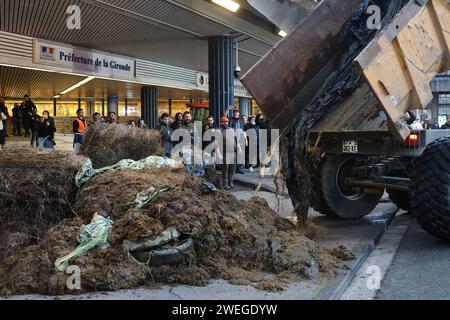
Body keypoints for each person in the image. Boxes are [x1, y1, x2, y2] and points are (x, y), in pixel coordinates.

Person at [217, 116, 236, 190]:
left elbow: (235, 140)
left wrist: (239, 148)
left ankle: (230, 183)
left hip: (233, 152)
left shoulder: (232, 130)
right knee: (225, 169)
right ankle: (225, 184)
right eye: (223, 122)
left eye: (226, 122)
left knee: (232, 168)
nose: (225, 123)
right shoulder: (219, 131)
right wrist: (218, 153)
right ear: (221, 123)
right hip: (225, 152)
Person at [230, 109, 246, 174]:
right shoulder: (231, 120)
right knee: (235, 154)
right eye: (236, 115)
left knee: (241, 154)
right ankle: (234, 168)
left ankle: (239, 168)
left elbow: (244, 130)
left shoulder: (241, 121)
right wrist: (227, 110)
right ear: (233, 114)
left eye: (238, 115)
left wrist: (246, 139)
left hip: (241, 139)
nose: (237, 116)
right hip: (234, 139)